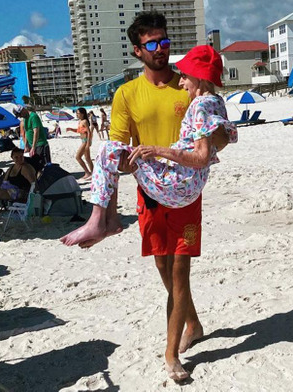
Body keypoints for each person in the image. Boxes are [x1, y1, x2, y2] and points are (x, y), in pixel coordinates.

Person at [84, 11, 201, 382]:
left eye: (165, 42)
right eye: (153, 44)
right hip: (150, 192)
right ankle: (193, 323)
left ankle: (171, 355)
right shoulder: (127, 94)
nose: (162, 49)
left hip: (186, 193)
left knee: (180, 268)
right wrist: (119, 164)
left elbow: (211, 133)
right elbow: (118, 149)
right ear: (138, 51)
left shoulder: (188, 86)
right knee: (163, 267)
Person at [61, 46, 236, 248]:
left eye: (185, 76)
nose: (180, 82)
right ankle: (109, 220)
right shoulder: (217, 102)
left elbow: (202, 157)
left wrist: (157, 150)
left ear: (200, 77)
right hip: (189, 186)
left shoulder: (200, 105)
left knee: (107, 150)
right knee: (116, 154)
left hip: (177, 184)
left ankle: (99, 221)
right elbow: (222, 141)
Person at [0, 147, 36, 212]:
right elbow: (4, 181)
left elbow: (33, 184)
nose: (19, 159)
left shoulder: (25, 168)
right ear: (12, 158)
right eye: (16, 157)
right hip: (10, 189)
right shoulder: (11, 167)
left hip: (21, 192)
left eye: (21, 156)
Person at [66, 108, 94, 181]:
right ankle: (91, 173)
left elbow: (89, 132)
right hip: (83, 141)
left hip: (85, 141)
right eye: (77, 113)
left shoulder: (85, 121)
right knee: (87, 158)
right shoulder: (80, 121)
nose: (77, 115)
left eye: (78, 113)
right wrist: (71, 129)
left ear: (82, 114)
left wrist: (88, 143)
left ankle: (89, 173)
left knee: (78, 157)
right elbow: (79, 131)